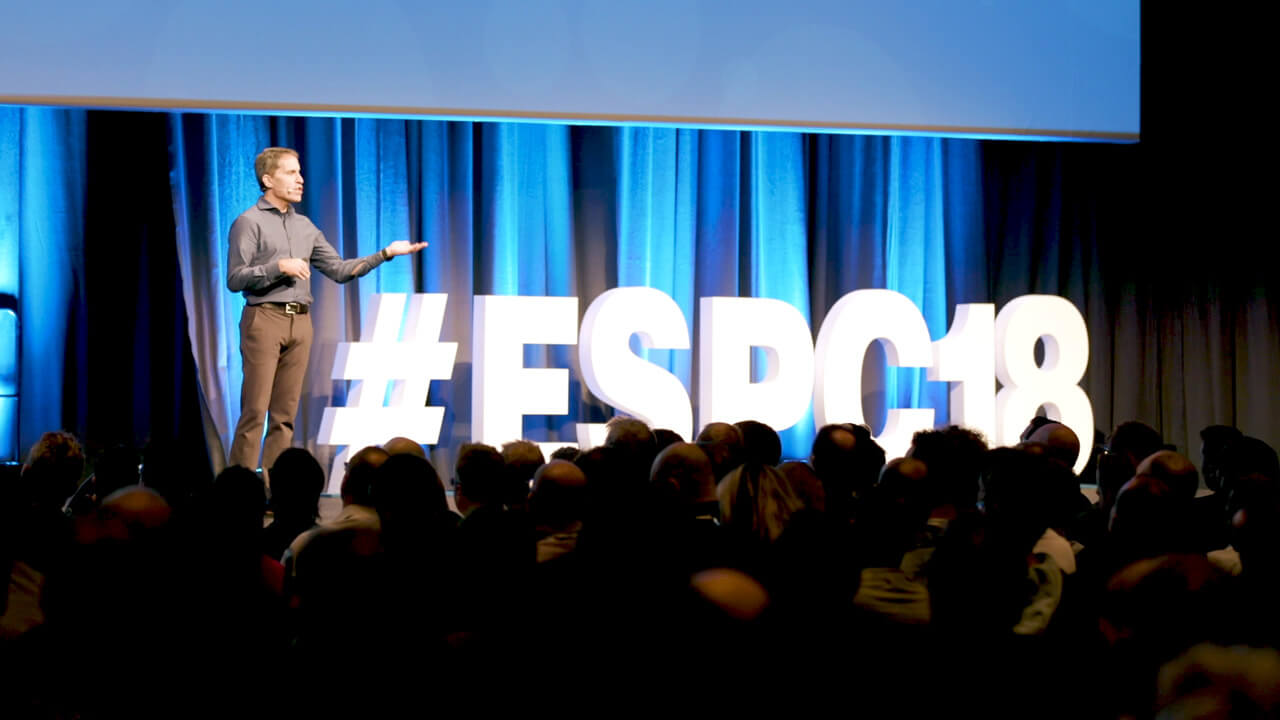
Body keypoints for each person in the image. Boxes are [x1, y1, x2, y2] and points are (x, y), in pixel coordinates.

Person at [225, 147, 426, 472]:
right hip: (264, 319)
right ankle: (241, 488)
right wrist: (279, 267)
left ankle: (278, 489)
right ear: (268, 179)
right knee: (255, 412)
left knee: (284, 416)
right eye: (291, 172)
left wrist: (386, 254)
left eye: (300, 172)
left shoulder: (305, 226)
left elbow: (339, 270)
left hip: (301, 323)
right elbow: (235, 279)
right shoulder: (249, 222)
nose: (300, 179)